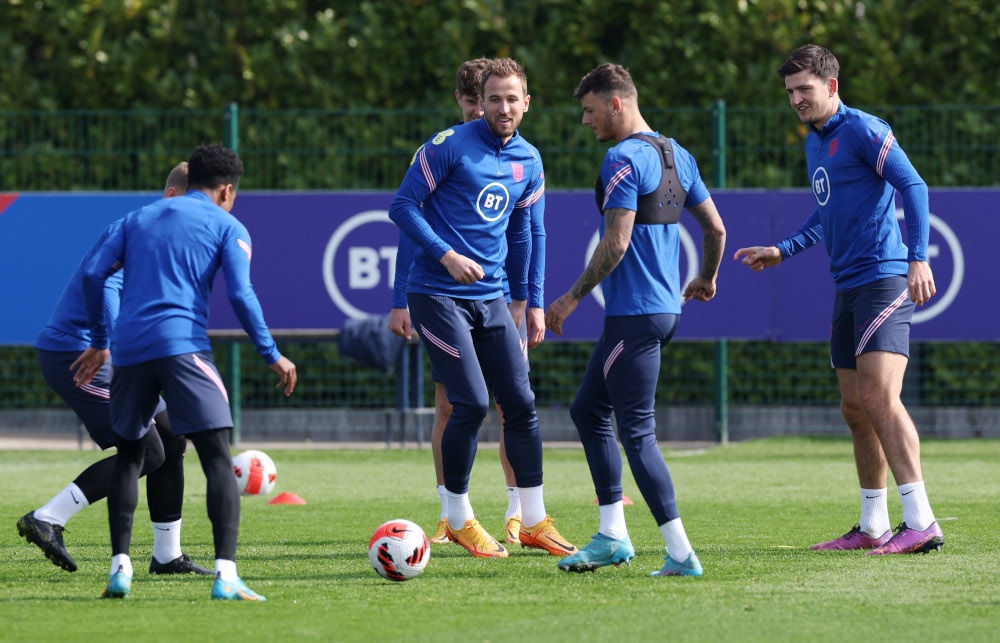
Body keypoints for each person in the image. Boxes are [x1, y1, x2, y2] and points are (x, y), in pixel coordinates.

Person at [733, 44, 944, 555]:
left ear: (831, 86)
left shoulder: (864, 129)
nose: (796, 99)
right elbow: (824, 211)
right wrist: (783, 250)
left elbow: (912, 185)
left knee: (879, 398)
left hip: (882, 279)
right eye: (789, 92)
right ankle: (873, 525)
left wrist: (918, 256)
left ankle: (921, 520)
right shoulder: (815, 142)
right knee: (855, 407)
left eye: (804, 89)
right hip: (848, 286)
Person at [72, 144, 297, 600]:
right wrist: (271, 352)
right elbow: (241, 295)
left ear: (188, 180)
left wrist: (100, 341)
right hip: (183, 350)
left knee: (131, 456)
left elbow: (94, 275)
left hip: (130, 353)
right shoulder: (227, 224)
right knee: (216, 456)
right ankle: (227, 577)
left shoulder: (136, 220)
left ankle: (120, 568)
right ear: (227, 190)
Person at [388, 57, 576, 559]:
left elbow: (523, 232)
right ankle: (457, 518)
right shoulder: (447, 147)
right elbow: (402, 207)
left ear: (527, 103)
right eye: (494, 98)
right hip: (436, 295)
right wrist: (446, 257)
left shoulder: (530, 160)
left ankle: (534, 520)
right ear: (479, 102)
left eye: (513, 98)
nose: (503, 107)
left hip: (493, 299)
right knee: (467, 403)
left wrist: (529, 301)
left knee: (520, 403)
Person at [546, 63, 726, 577]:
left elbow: (617, 242)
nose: (585, 120)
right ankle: (612, 536)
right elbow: (716, 229)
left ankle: (680, 552)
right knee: (587, 411)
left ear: (616, 104)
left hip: (636, 315)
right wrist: (706, 278)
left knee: (638, 434)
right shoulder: (676, 154)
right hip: (659, 311)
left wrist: (571, 297)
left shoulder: (622, 158)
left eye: (589, 109)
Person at [18, 162, 210, 577]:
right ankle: (48, 518)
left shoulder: (174, 235)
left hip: (116, 355)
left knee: (173, 437)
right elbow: (105, 283)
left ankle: (167, 556)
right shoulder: (142, 229)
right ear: (175, 197)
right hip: (81, 355)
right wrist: (107, 344)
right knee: (147, 452)